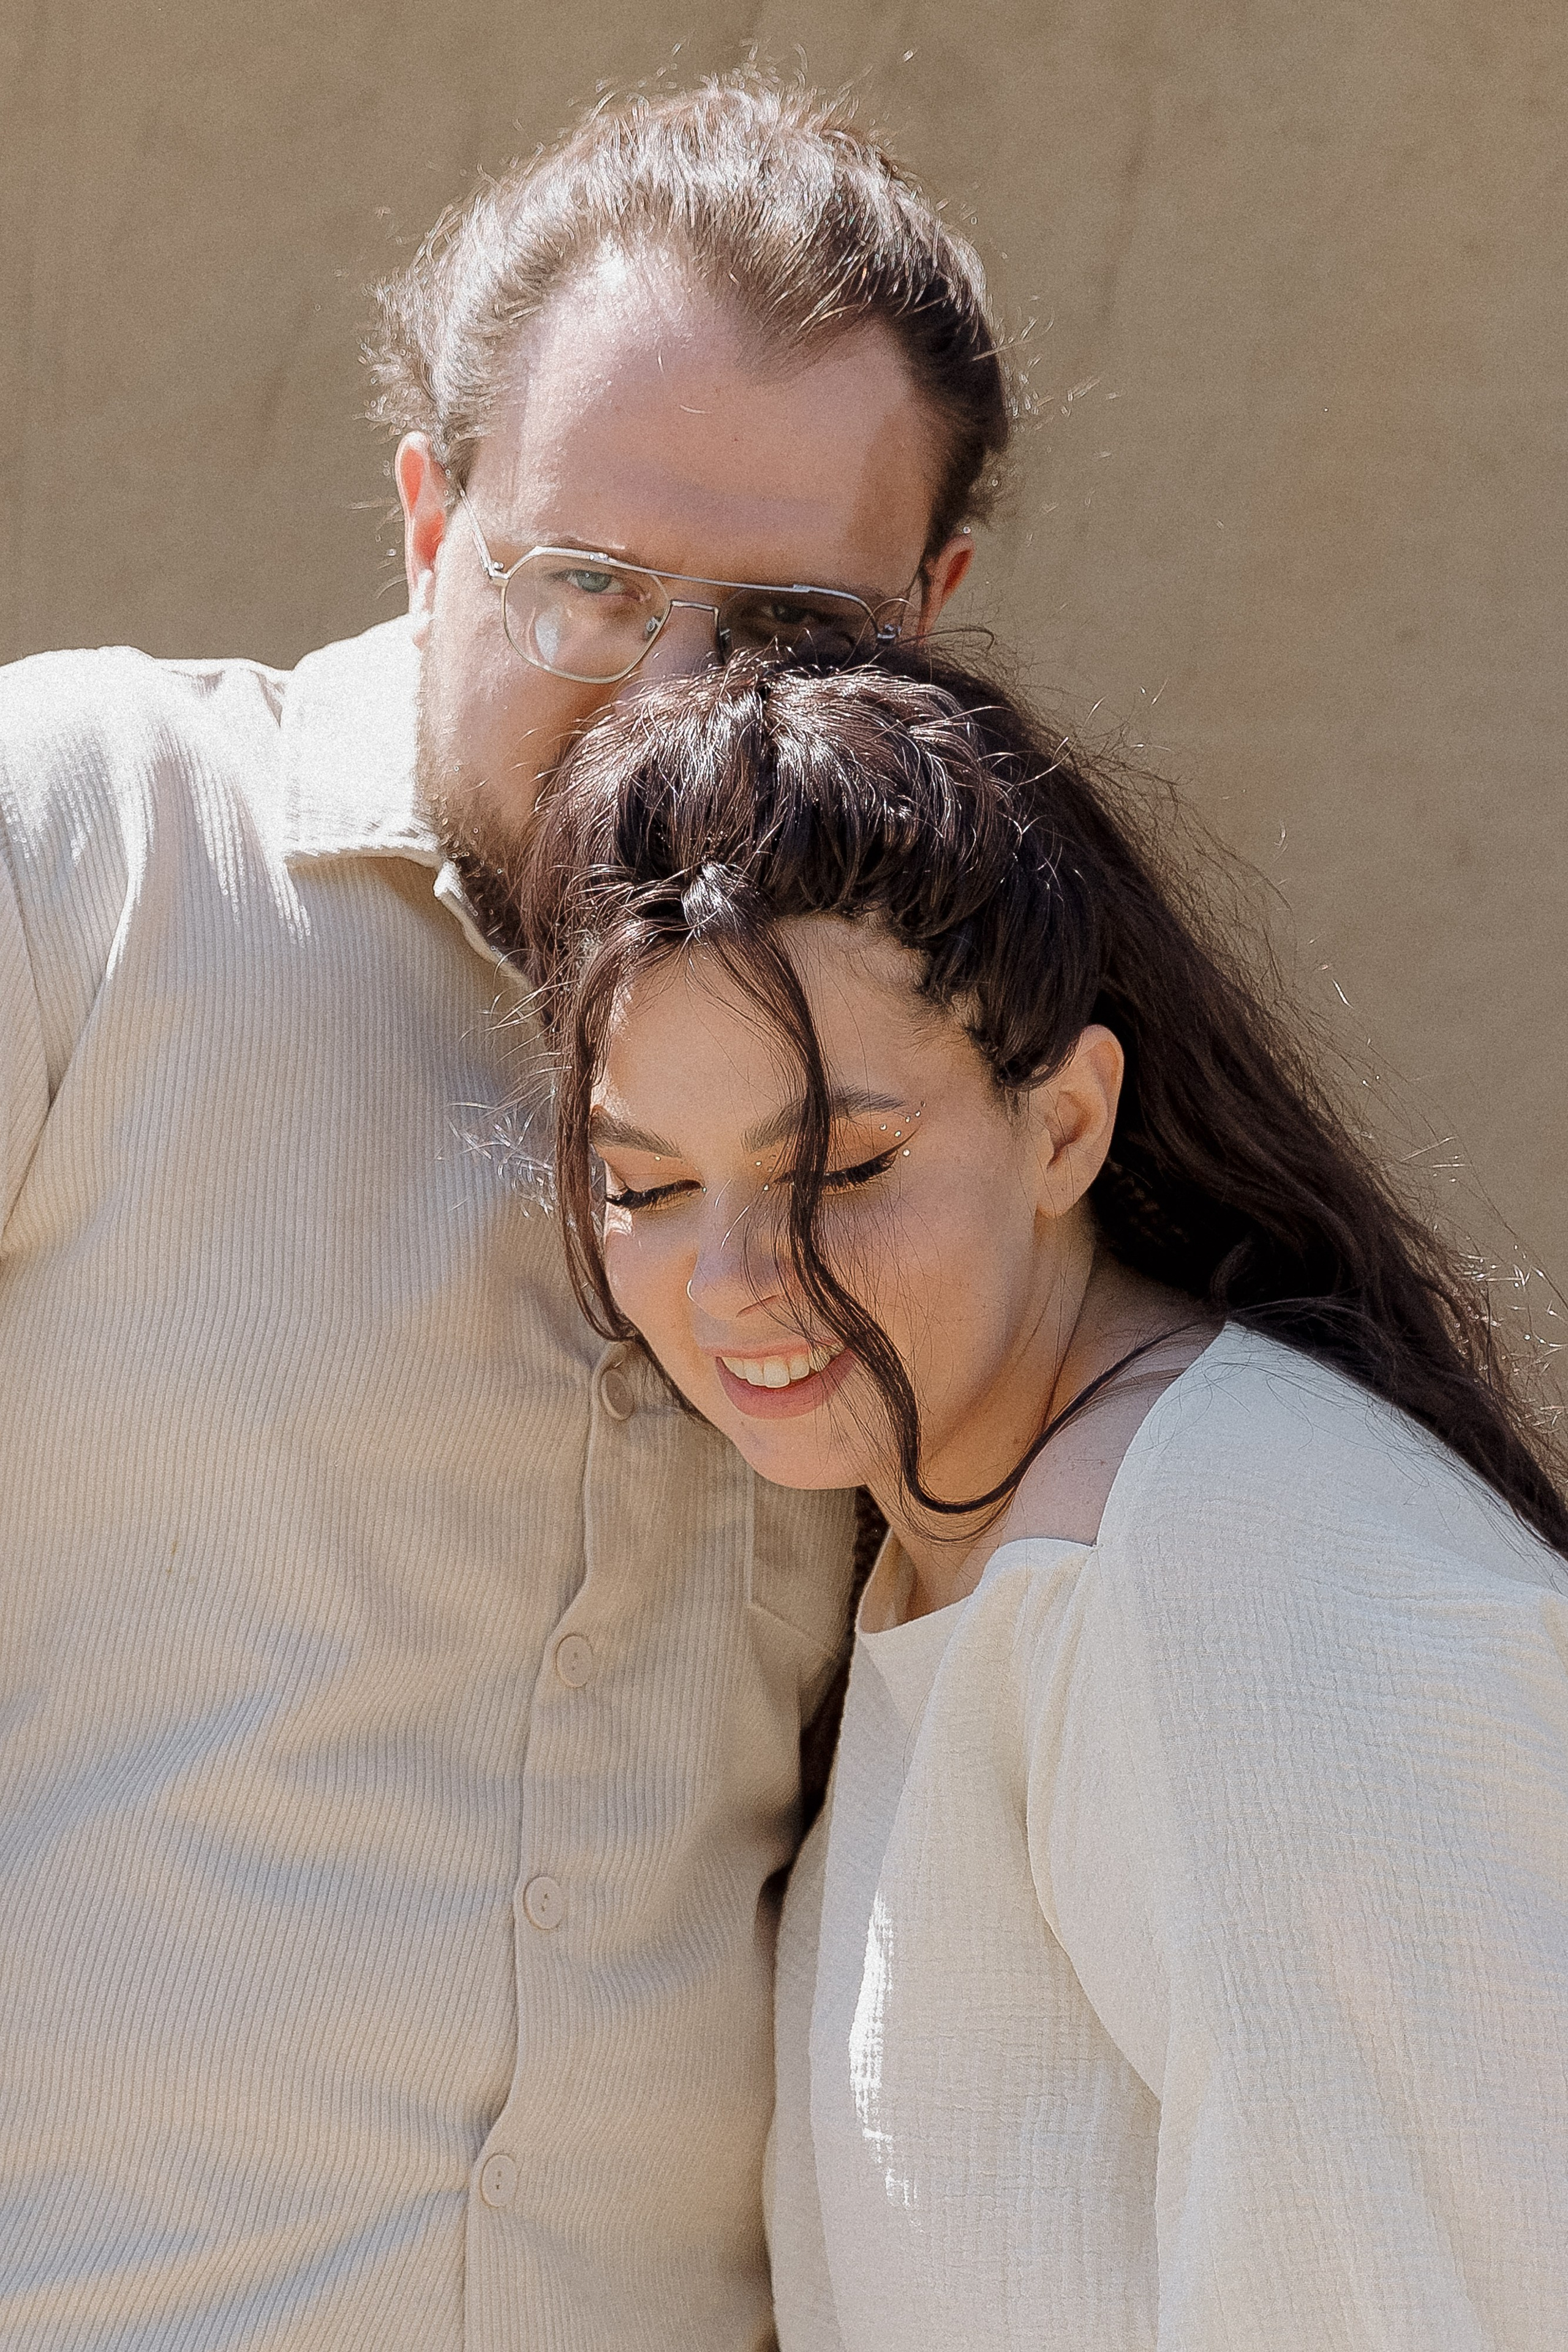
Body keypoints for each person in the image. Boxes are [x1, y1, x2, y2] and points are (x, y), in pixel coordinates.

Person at [0, 80, 1003, 2349]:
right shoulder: (86, 850)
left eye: (784, 621)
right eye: (590, 582)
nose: (667, 688)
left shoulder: (984, 1074)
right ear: (429, 509)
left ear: (934, 610)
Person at [515, 647, 1568, 2350]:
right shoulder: (961, 1550)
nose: (732, 1281)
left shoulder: (1248, 1565)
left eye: (842, 1171)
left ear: (1064, 1125)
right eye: (642, 1186)